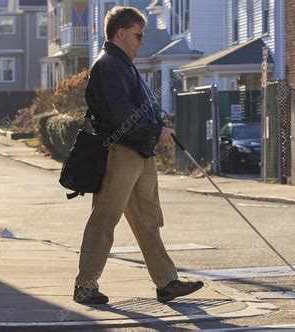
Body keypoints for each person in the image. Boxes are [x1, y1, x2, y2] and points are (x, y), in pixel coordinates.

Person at [73, 6, 203, 304]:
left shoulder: (124, 64)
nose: (141, 41)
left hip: (141, 151)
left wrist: (157, 127)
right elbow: (120, 115)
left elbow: (135, 110)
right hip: (120, 152)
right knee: (105, 218)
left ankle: (167, 282)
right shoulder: (108, 66)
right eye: (138, 35)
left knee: (148, 220)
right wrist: (155, 130)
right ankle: (85, 286)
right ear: (121, 33)